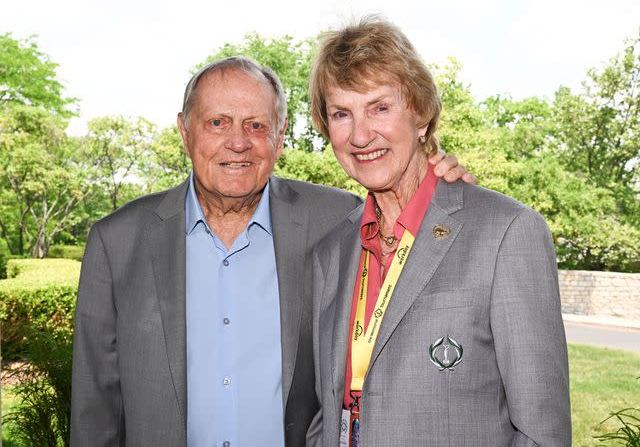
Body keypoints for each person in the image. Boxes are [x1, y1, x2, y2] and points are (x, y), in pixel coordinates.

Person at [70, 56, 473, 447]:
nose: (239, 142)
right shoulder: (116, 241)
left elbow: (419, 274)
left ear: (279, 137)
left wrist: (438, 185)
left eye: (257, 125)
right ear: (184, 131)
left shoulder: (339, 220)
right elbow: (94, 408)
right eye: (217, 123)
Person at [306, 18, 571, 447]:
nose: (359, 134)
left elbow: (542, 433)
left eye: (379, 107)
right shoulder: (331, 252)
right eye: (341, 113)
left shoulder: (507, 234)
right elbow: (329, 410)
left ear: (421, 114)